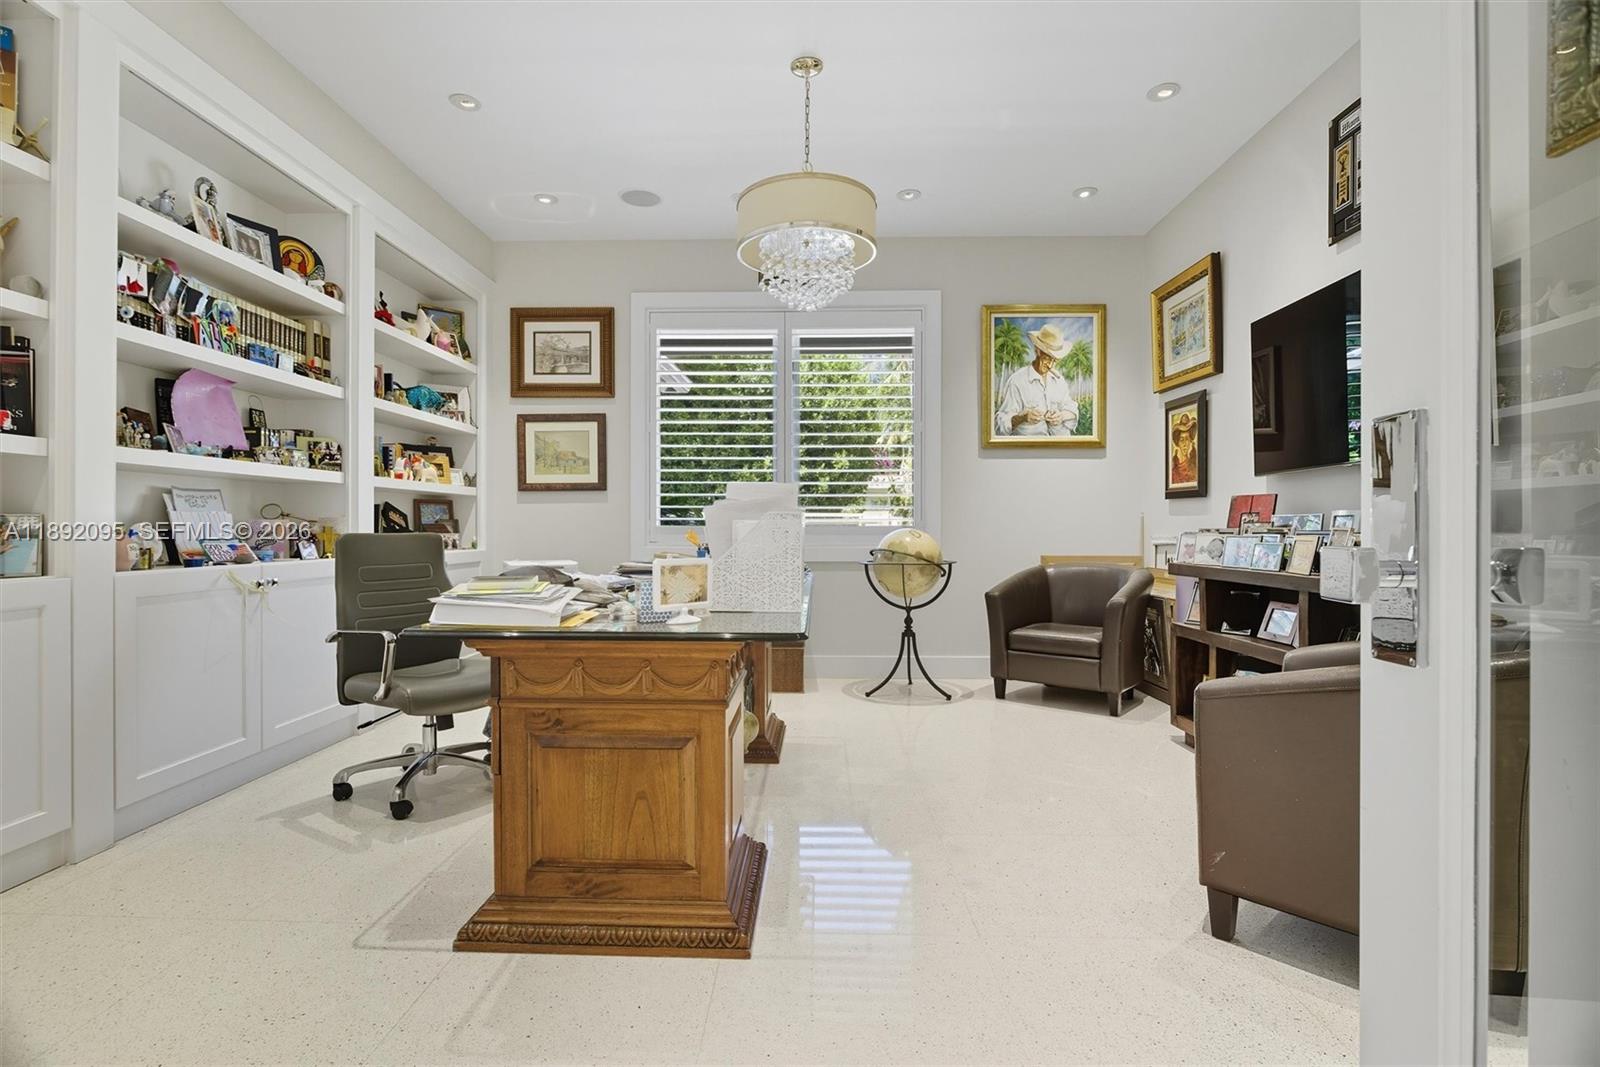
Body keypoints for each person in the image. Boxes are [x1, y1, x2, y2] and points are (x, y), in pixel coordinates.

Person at [993, 323, 1078, 437]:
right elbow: (1000, 424)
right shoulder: (1017, 381)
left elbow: (1072, 409)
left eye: (1055, 360)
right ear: (1037, 351)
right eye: (1047, 358)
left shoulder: (1059, 380)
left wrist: (1061, 416)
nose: (1050, 365)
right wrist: (1022, 418)